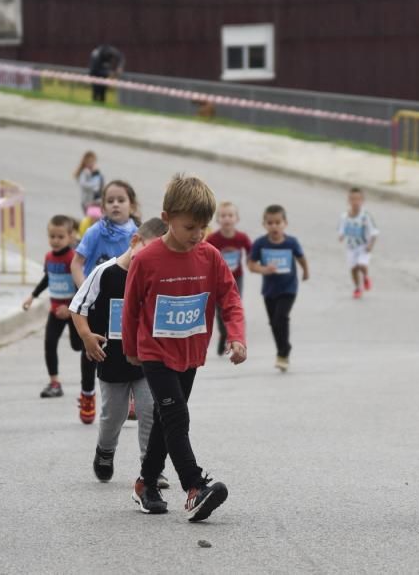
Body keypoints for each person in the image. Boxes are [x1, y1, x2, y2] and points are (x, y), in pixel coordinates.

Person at [123, 174, 246, 520]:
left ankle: (145, 483)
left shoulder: (209, 256)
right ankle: (194, 486)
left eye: (202, 227)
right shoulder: (146, 260)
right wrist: (131, 348)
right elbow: (131, 307)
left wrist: (236, 336)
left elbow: (230, 298)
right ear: (167, 218)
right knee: (176, 415)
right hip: (155, 352)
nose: (197, 234)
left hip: (190, 352)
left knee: (166, 420)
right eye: (189, 226)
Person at [69, 217, 169, 486]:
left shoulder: (154, 274)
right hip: (111, 358)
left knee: (150, 410)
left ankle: (151, 468)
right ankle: (105, 450)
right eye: (149, 251)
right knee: (114, 414)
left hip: (147, 358)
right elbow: (78, 307)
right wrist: (87, 336)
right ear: (135, 241)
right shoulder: (105, 272)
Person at [70, 181, 139, 423]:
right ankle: (88, 393)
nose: (116, 205)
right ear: (102, 207)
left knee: (128, 348)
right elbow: (76, 264)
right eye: (110, 201)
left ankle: (132, 399)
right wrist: (86, 291)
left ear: (132, 204)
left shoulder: (138, 234)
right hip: (98, 303)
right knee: (93, 348)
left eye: (121, 200)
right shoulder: (95, 232)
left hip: (127, 304)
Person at [23, 215, 84, 401]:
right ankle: (54, 382)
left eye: (60, 237)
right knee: (49, 343)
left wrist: (69, 307)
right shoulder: (49, 257)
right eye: (52, 236)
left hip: (73, 311)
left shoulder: (73, 258)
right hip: (55, 311)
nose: (55, 241)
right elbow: (47, 278)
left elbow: (80, 286)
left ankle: (91, 376)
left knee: (77, 345)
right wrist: (32, 296)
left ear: (70, 237)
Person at [248, 205, 309, 372]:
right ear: (264, 224)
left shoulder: (291, 242)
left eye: (278, 222)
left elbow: (301, 258)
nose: (274, 226)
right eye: (270, 223)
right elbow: (251, 265)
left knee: (281, 318)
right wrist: (264, 269)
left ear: (285, 223)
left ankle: (283, 353)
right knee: (273, 323)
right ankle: (283, 349)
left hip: (289, 288)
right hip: (269, 290)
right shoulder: (260, 243)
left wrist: (305, 271)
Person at [205, 202, 252, 356]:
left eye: (230, 215)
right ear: (218, 220)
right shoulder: (212, 239)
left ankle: (234, 337)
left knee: (234, 305)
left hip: (236, 277)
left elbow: (251, 252)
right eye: (223, 216)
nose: (227, 219)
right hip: (218, 280)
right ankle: (224, 335)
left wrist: (254, 263)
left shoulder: (241, 237)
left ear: (236, 219)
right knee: (219, 310)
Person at [337, 187, 379, 300]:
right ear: (348, 201)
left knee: (361, 265)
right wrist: (341, 235)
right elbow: (341, 229)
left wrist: (370, 244)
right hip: (351, 247)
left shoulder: (366, 216)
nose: (355, 202)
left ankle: (365, 277)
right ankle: (357, 288)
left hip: (363, 246)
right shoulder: (344, 216)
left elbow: (374, 232)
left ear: (362, 200)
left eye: (358, 199)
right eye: (352, 199)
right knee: (353, 269)